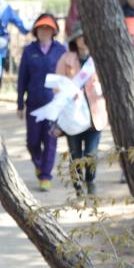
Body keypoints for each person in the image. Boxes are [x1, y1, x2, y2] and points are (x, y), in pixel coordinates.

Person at [17, 13, 66, 188]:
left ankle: (46, 175)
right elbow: (22, 78)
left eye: (48, 29)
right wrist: (20, 104)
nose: (44, 31)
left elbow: (67, 78)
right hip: (34, 103)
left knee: (50, 140)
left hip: (54, 105)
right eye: (41, 28)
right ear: (36, 31)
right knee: (32, 142)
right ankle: (39, 164)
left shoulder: (61, 50)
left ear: (54, 31)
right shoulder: (29, 51)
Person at [54, 37, 107, 197]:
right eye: (80, 36)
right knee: (75, 154)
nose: (84, 39)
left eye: (86, 35)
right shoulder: (66, 59)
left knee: (91, 153)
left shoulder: (100, 58)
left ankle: (90, 181)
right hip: (73, 116)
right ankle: (78, 188)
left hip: (94, 114)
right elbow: (57, 85)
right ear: (74, 40)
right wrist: (69, 92)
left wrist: (100, 88)